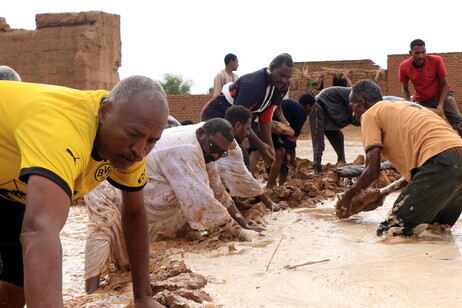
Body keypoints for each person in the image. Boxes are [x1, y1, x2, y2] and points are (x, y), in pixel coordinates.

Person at [0, 76, 168, 308]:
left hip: (8, 187)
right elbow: (40, 229)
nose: (140, 151)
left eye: (151, 141)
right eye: (134, 134)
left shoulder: (133, 144)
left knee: (17, 278)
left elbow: (134, 213)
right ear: (105, 112)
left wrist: (143, 297)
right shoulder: (63, 131)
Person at [84, 118, 263, 292]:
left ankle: (118, 283)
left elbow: (217, 190)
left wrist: (244, 225)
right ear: (202, 133)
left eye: (221, 153)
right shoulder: (186, 148)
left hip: (136, 185)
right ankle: (91, 293)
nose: (216, 155)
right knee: (103, 229)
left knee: (126, 253)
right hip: (107, 183)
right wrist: (237, 231)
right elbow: (201, 199)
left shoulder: (205, 150)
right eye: (214, 148)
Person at [336, 80, 462, 237]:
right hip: (451, 163)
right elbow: (424, 172)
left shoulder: (370, 114)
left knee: (391, 233)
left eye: (352, 106)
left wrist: (348, 196)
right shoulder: (407, 108)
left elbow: (372, 171)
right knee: (435, 232)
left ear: (362, 103)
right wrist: (384, 192)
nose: (353, 113)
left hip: (441, 162)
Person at [201, 53, 294, 166]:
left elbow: (265, 119)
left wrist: (270, 148)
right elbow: (238, 119)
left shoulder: (281, 87)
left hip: (237, 123)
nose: (284, 80)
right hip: (216, 115)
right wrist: (260, 145)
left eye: (287, 77)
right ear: (272, 67)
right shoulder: (253, 84)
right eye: (281, 75)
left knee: (237, 160)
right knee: (227, 157)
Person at [219, 105, 284, 210]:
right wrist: (269, 204)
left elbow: (222, 177)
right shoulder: (228, 146)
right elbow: (245, 177)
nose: (249, 133)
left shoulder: (219, 134)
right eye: (248, 128)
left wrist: (236, 202)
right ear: (238, 126)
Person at [399, 39, 462, 136]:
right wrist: (408, 104)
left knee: (458, 123)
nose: (421, 56)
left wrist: (440, 104)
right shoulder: (404, 66)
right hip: (422, 100)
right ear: (410, 53)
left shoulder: (436, 60)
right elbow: (405, 88)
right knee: (418, 126)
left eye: (423, 52)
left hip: (442, 97)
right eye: (417, 53)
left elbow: (445, 83)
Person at [307, 87, 359, 173]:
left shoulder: (359, 98)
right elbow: (317, 138)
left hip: (329, 110)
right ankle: (317, 168)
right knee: (319, 139)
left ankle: (341, 162)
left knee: (337, 136)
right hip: (321, 107)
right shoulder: (357, 97)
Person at [266, 96, 313, 187]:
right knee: (284, 160)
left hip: (268, 125)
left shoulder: (293, 106)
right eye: (312, 107)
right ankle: (279, 186)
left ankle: (272, 184)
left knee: (273, 156)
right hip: (280, 128)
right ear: (308, 106)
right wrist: (291, 158)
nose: (311, 110)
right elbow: (292, 137)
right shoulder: (302, 112)